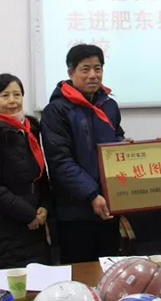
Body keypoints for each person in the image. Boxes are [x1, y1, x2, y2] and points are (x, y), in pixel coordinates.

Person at [40, 44, 128, 264]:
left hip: (109, 204)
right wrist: (91, 194)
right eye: (85, 69)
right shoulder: (56, 111)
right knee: (80, 272)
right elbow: (60, 162)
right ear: (71, 73)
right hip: (75, 211)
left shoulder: (109, 105)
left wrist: (124, 145)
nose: (93, 75)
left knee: (109, 269)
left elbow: (115, 137)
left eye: (97, 68)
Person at [0, 73, 51, 269]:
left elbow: (41, 175)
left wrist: (45, 206)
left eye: (17, 95)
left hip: (36, 227)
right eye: (5, 95)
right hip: (4, 229)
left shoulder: (29, 130)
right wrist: (28, 214)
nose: (12, 101)